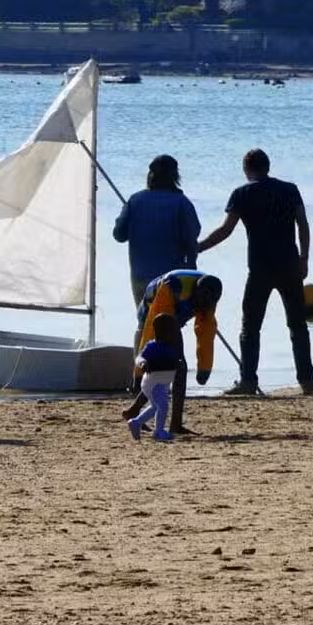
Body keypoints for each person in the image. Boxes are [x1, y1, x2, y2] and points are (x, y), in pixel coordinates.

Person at [197, 148, 313, 396]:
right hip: (290, 265)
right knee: (298, 325)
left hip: (260, 268)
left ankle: (248, 381)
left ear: (246, 169)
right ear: (267, 166)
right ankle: (308, 381)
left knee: (250, 327)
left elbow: (225, 230)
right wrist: (304, 258)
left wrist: (198, 248)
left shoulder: (242, 194)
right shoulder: (290, 190)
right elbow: (303, 224)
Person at [121, 268, 221, 435]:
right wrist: (140, 368)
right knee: (177, 367)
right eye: (200, 300)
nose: (201, 305)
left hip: (175, 319)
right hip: (154, 312)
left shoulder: (210, 298)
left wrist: (204, 369)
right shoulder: (174, 286)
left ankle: (135, 411)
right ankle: (173, 424)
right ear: (195, 290)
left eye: (207, 303)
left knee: (171, 369)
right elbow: (152, 328)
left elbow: (206, 332)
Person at [111, 154, 200, 315]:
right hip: (173, 278)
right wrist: (192, 273)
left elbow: (119, 235)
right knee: (169, 322)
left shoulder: (135, 200)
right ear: (175, 176)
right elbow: (192, 239)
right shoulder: (182, 203)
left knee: (144, 321)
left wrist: (128, 217)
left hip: (140, 275)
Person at [127, 312, 185, 442]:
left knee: (155, 407)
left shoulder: (172, 347)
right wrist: (143, 363)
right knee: (163, 406)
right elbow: (139, 358)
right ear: (162, 333)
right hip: (153, 384)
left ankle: (136, 423)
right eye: (172, 332)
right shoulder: (153, 346)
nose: (174, 335)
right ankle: (158, 432)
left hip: (162, 384)